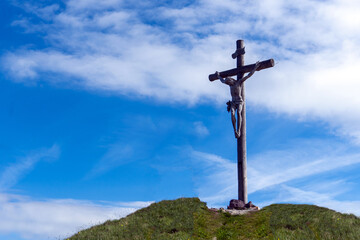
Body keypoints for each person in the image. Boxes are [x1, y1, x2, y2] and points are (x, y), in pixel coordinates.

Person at [216, 61, 260, 138]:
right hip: (233, 102)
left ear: (231, 80)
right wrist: (218, 75)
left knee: (239, 113)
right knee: (232, 114)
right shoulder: (229, 85)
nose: (228, 84)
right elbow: (222, 81)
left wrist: (255, 68)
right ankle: (235, 131)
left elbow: (248, 75)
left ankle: (238, 130)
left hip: (239, 101)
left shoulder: (238, 82)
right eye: (227, 83)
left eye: (229, 82)